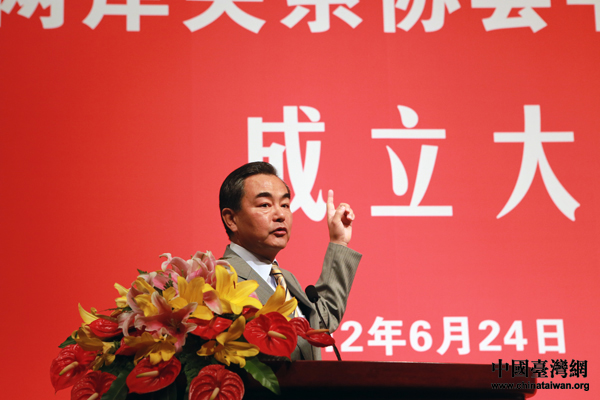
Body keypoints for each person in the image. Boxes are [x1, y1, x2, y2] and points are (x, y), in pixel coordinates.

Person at [219, 161, 361, 360]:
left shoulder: (284, 278)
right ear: (231, 219)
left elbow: (319, 322)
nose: (280, 215)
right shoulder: (220, 279)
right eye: (265, 205)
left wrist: (339, 242)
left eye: (285, 205)